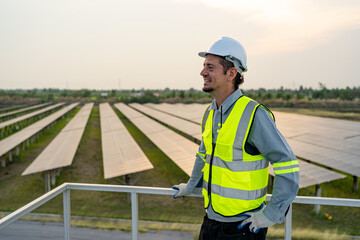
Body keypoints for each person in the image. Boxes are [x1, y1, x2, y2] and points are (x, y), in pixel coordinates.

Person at [172, 37, 299, 240]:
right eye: (204, 66)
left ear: (231, 73)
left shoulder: (255, 114)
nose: (203, 72)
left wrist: (272, 214)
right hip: (211, 221)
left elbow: (287, 163)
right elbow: (203, 155)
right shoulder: (210, 113)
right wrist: (191, 186)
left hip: (242, 227)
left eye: (210, 67)